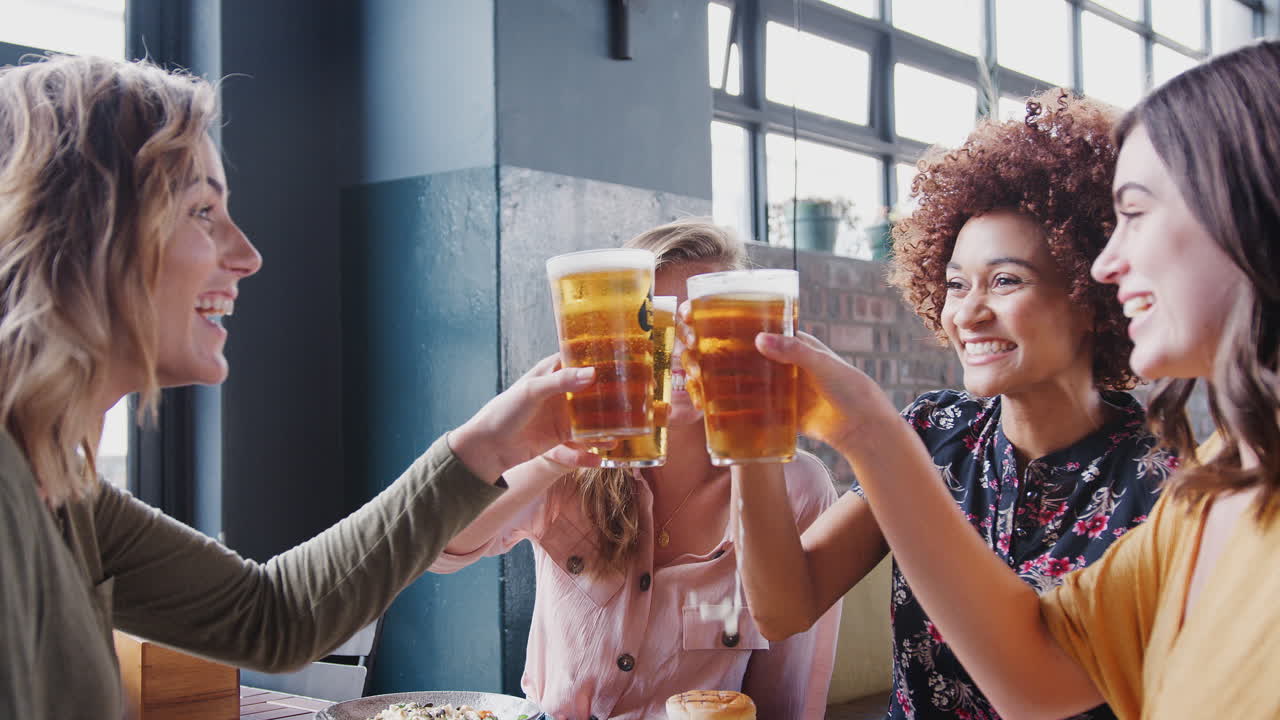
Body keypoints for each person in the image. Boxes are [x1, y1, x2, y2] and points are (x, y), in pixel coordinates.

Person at [0, 55, 610, 718]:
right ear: (83, 227)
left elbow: (274, 615)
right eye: (203, 210)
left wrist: (489, 446)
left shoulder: (62, 487)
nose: (247, 255)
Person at [734, 40, 1280, 719]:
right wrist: (761, 432)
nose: (1112, 263)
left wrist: (870, 431)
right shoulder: (1208, 499)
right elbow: (1038, 671)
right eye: (957, 284)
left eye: (1006, 280)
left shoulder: (1165, 481)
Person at [431, 218, 841, 720]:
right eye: (654, 320)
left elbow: (788, 702)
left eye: (700, 319)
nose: (677, 344)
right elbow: (440, 550)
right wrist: (550, 455)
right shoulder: (569, 466)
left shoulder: (796, 484)